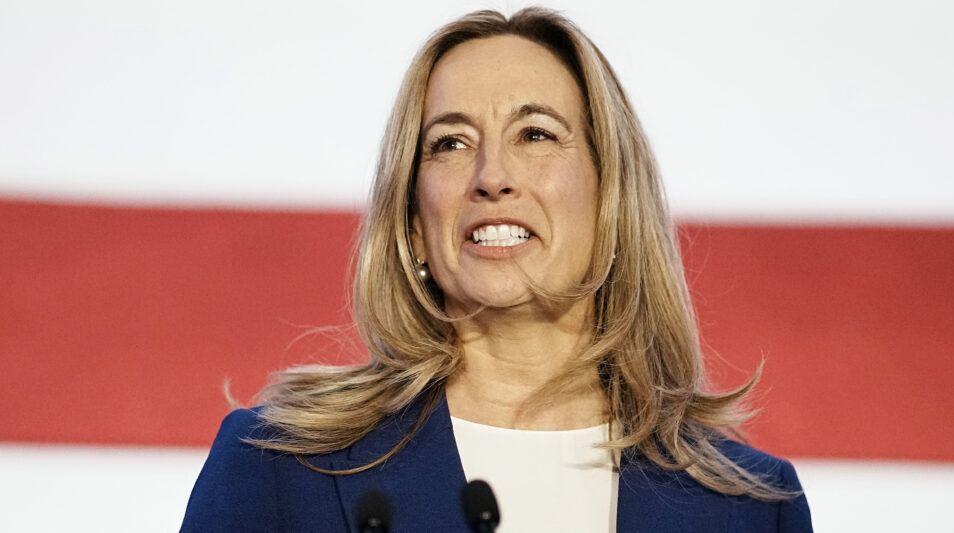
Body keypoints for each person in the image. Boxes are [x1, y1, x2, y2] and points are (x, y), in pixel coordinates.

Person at [182, 7, 812, 532]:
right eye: (450, 144)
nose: (492, 177)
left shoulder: (752, 509)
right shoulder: (278, 468)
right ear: (414, 227)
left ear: (611, 201)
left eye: (535, 134)